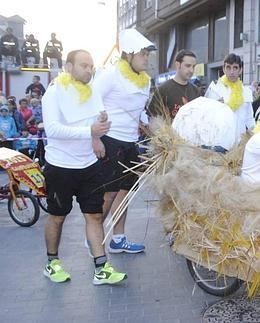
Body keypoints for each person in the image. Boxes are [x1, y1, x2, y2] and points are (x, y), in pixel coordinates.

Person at [42, 49, 126, 284]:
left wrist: (99, 130)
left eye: (91, 66)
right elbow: (53, 130)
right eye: (83, 65)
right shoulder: (54, 92)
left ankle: (102, 268)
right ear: (69, 67)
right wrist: (89, 132)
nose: (89, 70)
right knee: (57, 217)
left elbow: (98, 118)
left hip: (89, 165)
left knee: (94, 216)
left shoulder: (92, 90)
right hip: (60, 166)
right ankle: (52, 262)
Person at [92, 29, 156, 254]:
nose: (147, 58)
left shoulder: (145, 81)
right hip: (110, 141)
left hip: (131, 144)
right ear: (128, 54)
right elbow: (92, 101)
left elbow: (140, 114)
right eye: (143, 53)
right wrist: (95, 138)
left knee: (125, 192)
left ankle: (118, 239)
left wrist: (154, 131)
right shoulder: (110, 75)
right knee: (108, 193)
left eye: (148, 53)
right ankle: (94, 237)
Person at [205, 53, 255, 141]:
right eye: (228, 67)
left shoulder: (246, 92)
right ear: (224, 69)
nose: (232, 72)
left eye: (235, 68)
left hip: (240, 140)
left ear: (240, 70)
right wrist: (215, 107)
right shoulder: (215, 89)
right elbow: (206, 116)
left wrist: (254, 137)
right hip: (219, 140)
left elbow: (249, 119)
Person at [148, 49, 201, 119]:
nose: (191, 70)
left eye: (193, 66)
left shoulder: (196, 91)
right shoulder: (163, 89)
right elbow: (153, 119)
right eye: (188, 66)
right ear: (178, 65)